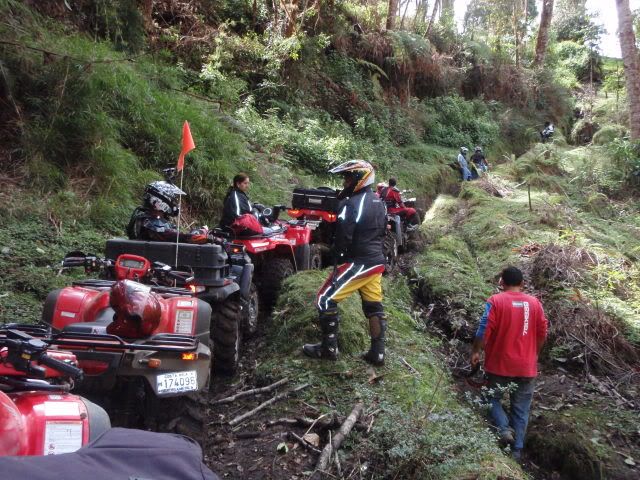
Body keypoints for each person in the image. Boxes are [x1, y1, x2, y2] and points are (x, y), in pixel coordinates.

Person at [302, 160, 388, 366]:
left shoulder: (352, 203)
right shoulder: (379, 202)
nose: (345, 181)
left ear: (360, 178)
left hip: (359, 261)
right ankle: (378, 353)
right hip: (376, 261)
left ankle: (328, 349)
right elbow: (383, 231)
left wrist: (336, 258)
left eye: (348, 177)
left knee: (324, 299)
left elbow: (343, 236)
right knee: (374, 307)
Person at [470, 266, 548, 461]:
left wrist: (476, 351)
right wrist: (534, 354)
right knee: (521, 409)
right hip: (527, 367)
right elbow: (542, 333)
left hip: (499, 364)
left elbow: (484, 328)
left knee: (491, 398)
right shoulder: (535, 303)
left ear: (501, 283)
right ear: (522, 284)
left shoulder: (495, 301)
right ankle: (516, 452)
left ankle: (504, 429)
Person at [127, 180, 210, 243]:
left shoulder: (146, 217)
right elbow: (172, 236)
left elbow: (172, 233)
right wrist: (195, 235)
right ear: (160, 201)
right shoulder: (151, 223)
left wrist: (194, 232)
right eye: (172, 199)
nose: (174, 203)